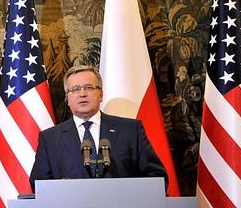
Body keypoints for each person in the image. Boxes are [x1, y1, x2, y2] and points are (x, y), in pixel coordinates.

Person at [29, 65, 167, 192]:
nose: (82, 94)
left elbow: (156, 177)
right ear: (67, 98)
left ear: (100, 94)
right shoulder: (50, 139)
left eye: (88, 87)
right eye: (75, 89)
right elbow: (39, 185)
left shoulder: (130, 130)